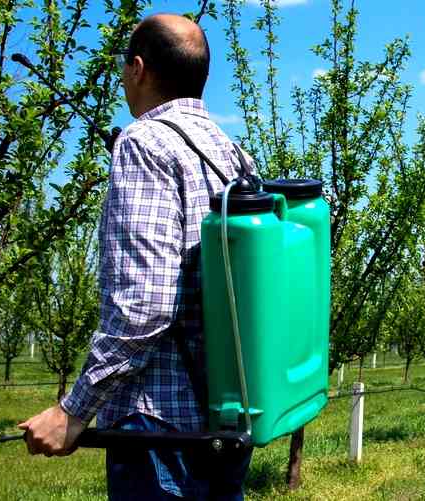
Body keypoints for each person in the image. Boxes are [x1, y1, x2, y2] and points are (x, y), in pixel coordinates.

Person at [19, 13, 254, 500]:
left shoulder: (144, 144)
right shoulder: (234, 157)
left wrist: (73, 410)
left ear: (138, 69)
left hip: (159, 425)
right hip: (228, 416)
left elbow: (144, 305)